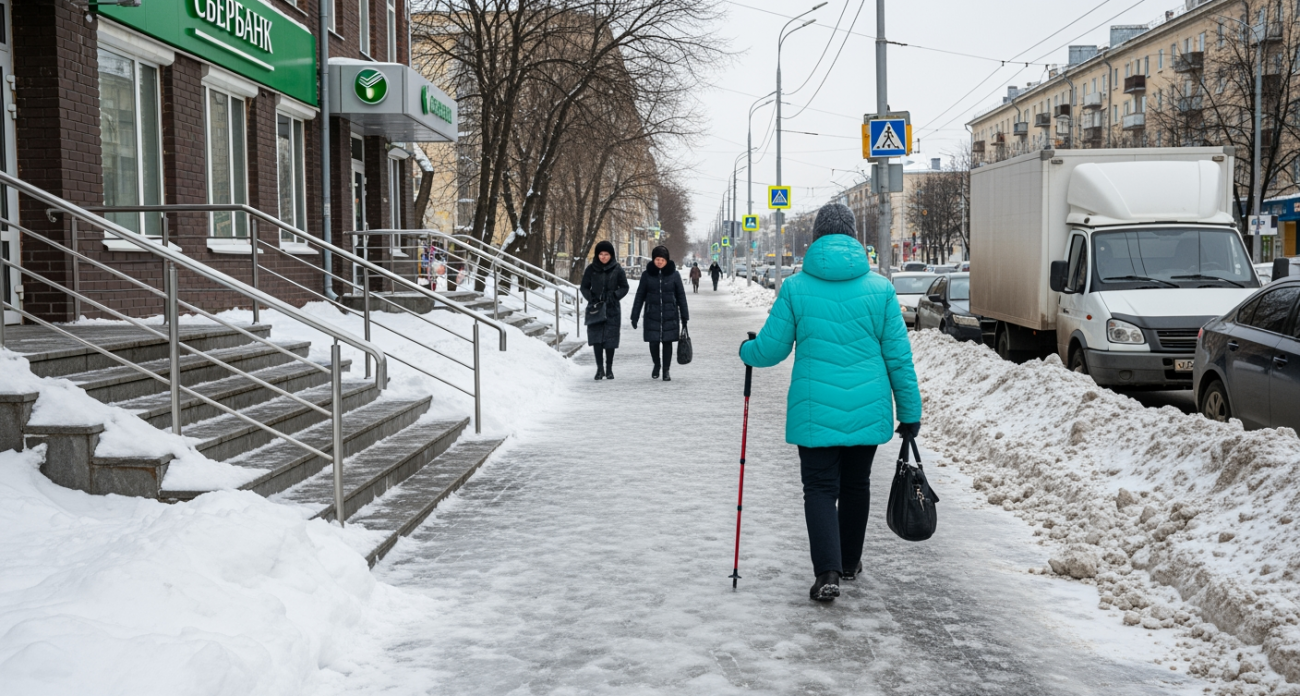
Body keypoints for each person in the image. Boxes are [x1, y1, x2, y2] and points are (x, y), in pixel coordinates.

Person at [739, 202, 921, 603]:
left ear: (817, 237)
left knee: (820, 488)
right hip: (868, 407)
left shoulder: (796, 288)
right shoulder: (881, 290)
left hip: (814, 409)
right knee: (856, 485)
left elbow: (771, 349)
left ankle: (827, 571)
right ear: (854, 236)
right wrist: (910, 413)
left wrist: (747, 350)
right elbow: (899, 358)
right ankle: (850, 562)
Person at [631, 246, 689, 381]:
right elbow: (640, 296)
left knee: (667, 343)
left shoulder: (674, 275)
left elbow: (681, 296)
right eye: (657, 259)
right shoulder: (647, 275)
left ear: (666, 260)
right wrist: (635, 316)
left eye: (662, 260)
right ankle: (657, 364)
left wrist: (684, 316)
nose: (659, 262)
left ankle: (666, 370)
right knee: (653, 342)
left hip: (670, 314)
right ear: (653, 259)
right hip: (652, 314)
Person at [580, 241, 630, 380]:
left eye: (606, 254)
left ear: (611, 255)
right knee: (596, 339)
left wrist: (614, 296)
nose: (603, 257)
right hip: (595, 308)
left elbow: (624, 287)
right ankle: (599, 369)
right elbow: (584, 287)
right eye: (601, 254)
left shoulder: (617, 269)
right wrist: (592, 298)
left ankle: (609, 369)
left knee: (610, 340)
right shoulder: (591, 269)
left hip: (611, 309)